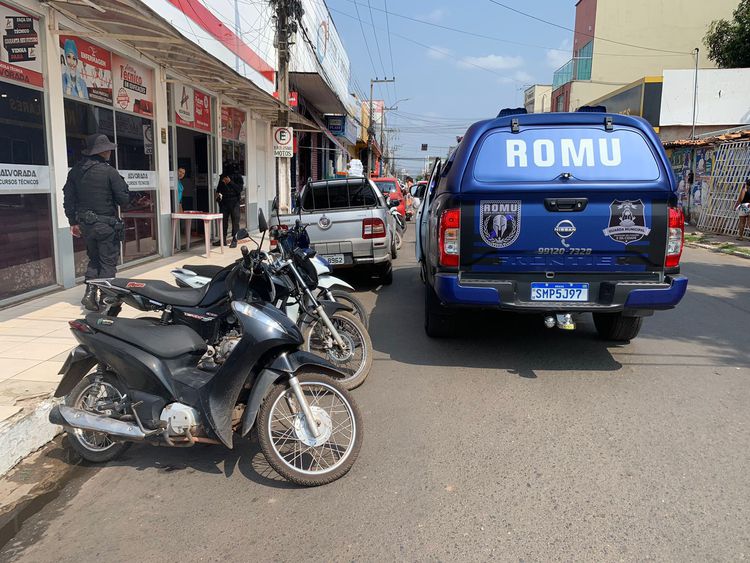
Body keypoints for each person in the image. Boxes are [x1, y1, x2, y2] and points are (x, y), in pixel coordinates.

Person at [63, 134, 129, 311]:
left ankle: (90, 294)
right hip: (106, 225)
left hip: (86, 225)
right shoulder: (109, 172)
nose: (109, 152)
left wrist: (73, 222)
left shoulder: (75, 171)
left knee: (94, 259)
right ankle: (106, 300)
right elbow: (123, 200)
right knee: (107, 262)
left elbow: (68, 199)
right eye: (108, 149)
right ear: (104, 151)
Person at [216, 172, 243, 248]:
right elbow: (218, 189)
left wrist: (230, 182)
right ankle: (222, 239)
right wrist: (218, 197)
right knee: (223, 221)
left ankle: (234, 240)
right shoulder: (222, 176)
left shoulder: (238, 176)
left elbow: (239, 189)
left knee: (235, 221)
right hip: (224, 201)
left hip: (235, 202)